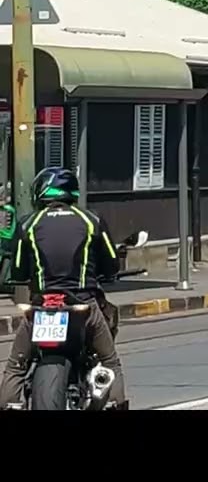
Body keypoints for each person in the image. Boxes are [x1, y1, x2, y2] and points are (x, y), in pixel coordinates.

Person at [0, 167, 125, 409]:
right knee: (110, 361)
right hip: (83, 306)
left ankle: (9, 404)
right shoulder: (92, 221)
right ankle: (114, 403)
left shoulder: (28, 224)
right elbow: (112, 265)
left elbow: (17, 271)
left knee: (16, 365)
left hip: (41, 307)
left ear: (41, 192)